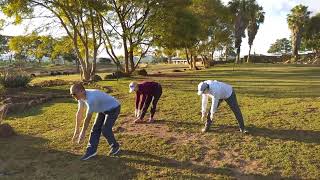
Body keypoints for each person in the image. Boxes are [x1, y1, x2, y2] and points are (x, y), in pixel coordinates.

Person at [70, 83, 121, 161]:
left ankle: (115, 146)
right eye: (71, 94)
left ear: (81, 91)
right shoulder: (80, 97)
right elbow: (79, 113)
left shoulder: (91, 98)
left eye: (74, 94)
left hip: (113, 108)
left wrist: (83, 132)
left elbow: (88, 118)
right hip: (102, 108)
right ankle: (91, 151)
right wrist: (77, 130)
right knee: (95, 129)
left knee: (105, 129)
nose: (73, 96)